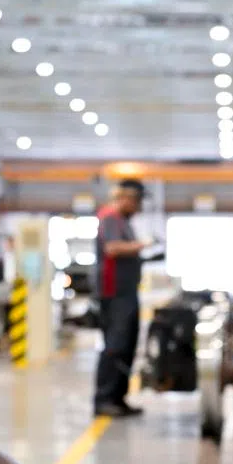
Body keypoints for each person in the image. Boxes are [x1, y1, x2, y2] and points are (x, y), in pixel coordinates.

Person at [93, 178, 148, 417]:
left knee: (127, 346)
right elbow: (113, 248)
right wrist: (141, 245)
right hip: (115, 294)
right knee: (115, 346)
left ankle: (118, 398)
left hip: (127, 293)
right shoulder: (110, 217)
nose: (139, 207)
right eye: (137, 201)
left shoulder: (123, 221)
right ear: (125, 198)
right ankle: (104, 399)